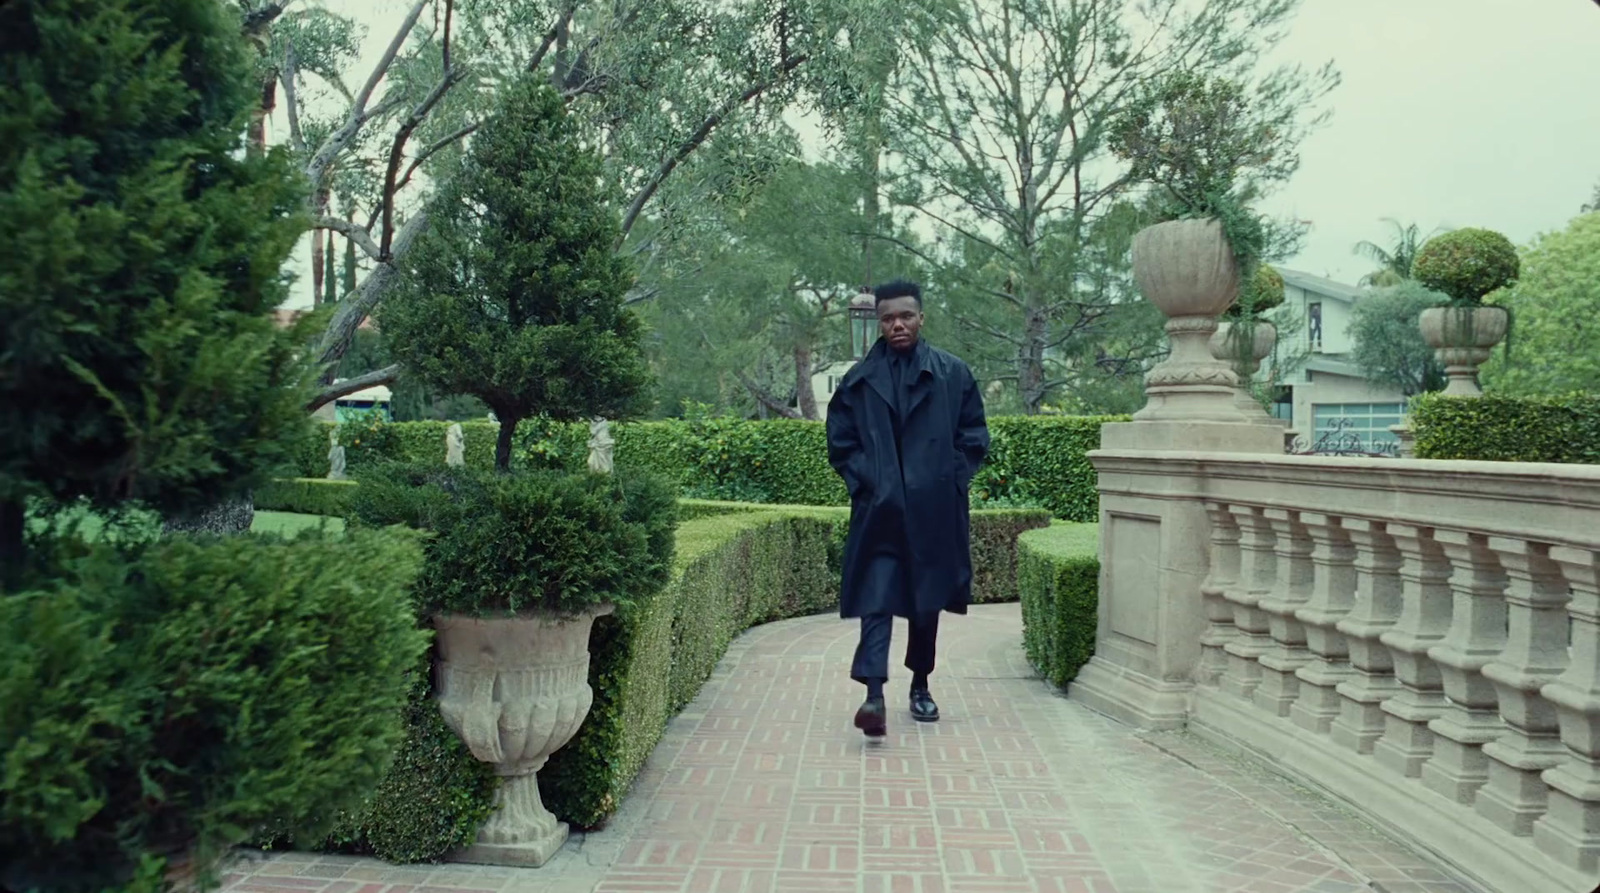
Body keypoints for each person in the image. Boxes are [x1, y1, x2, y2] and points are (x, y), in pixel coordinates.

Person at [825, 279, 990, 738]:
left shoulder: (952, 374)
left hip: (934, 513)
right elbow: (841, 443)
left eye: (906, 316)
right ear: (879, 322)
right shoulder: (858, 382)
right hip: (880, 513)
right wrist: (868, 484)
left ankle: (921, 684)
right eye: (888, 318)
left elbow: (974, 436)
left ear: (921, 318)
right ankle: (873, 694)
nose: (897, 324)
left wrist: (948, 481)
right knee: (875, 600)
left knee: (925, 603)